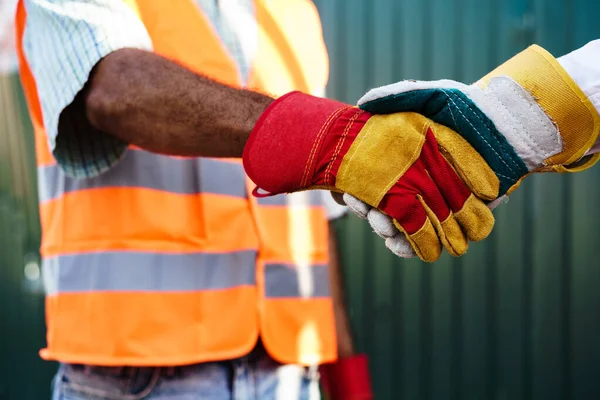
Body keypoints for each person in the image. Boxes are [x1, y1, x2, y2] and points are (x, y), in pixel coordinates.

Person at [15, 0, 372, 399]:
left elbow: (314, 216)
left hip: (289, 373)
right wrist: (331, 135)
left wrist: (346, 379)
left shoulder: (292, 11)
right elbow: (115, 89)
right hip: (136, 375)